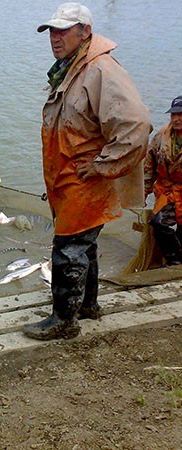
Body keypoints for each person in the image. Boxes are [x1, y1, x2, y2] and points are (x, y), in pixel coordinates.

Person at [23, 3, 151, 340]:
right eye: (51, 30)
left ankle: (63, 321)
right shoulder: (69, 68)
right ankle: (88, 305)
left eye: (63, 30)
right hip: (68, 180)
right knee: (86, 245)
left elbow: (136, 125)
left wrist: (101, 166)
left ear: (85, 32)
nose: (55, 37)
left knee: (68, 248)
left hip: (85, 181)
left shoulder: (100, 70)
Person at [144, 96, 182, 265]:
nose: (176, 119)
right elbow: (149, 164)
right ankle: (175, 261)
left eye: (181, 115)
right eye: (173, 115)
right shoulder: (161, 136)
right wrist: (144, 190)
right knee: (158, 222)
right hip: (167, 188)